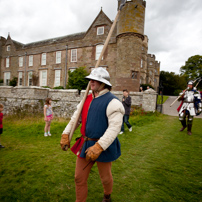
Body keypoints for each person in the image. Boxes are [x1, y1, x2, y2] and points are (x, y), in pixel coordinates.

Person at [60, 67, 124, 202]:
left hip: (102, 146)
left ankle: (107, 195)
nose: (91, 81)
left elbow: (114, 128)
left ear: (104, 83)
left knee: (105, 178)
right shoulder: (86, 99)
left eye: (95, 79)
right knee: (79, 178)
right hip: (86, 143)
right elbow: (75, 119)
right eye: (91, 79)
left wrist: (99, 146)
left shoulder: (113, 102)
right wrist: (65, 134)